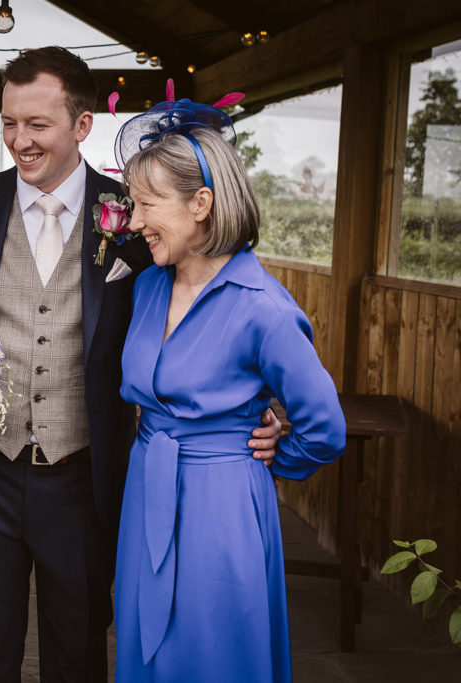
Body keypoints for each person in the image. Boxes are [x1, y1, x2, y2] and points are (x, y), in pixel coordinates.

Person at [0, 46, 284, 682]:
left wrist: (262, 400)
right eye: (10, 122)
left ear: (83, 124)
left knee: (78, 647)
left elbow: (204, 299)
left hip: (84, 475)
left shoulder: (136, 211)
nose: (20, 140)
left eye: (38, 124)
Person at [112, 99, 347, 682]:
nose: (135, 221)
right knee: (144, 645)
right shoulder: (146, 287)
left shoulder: (264, 308)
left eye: (147, 204)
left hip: (221, 501)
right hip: (146, 486)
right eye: (133, 204)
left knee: (214, 648)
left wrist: (276, 454)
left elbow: (326, 427)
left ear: (201, 203)